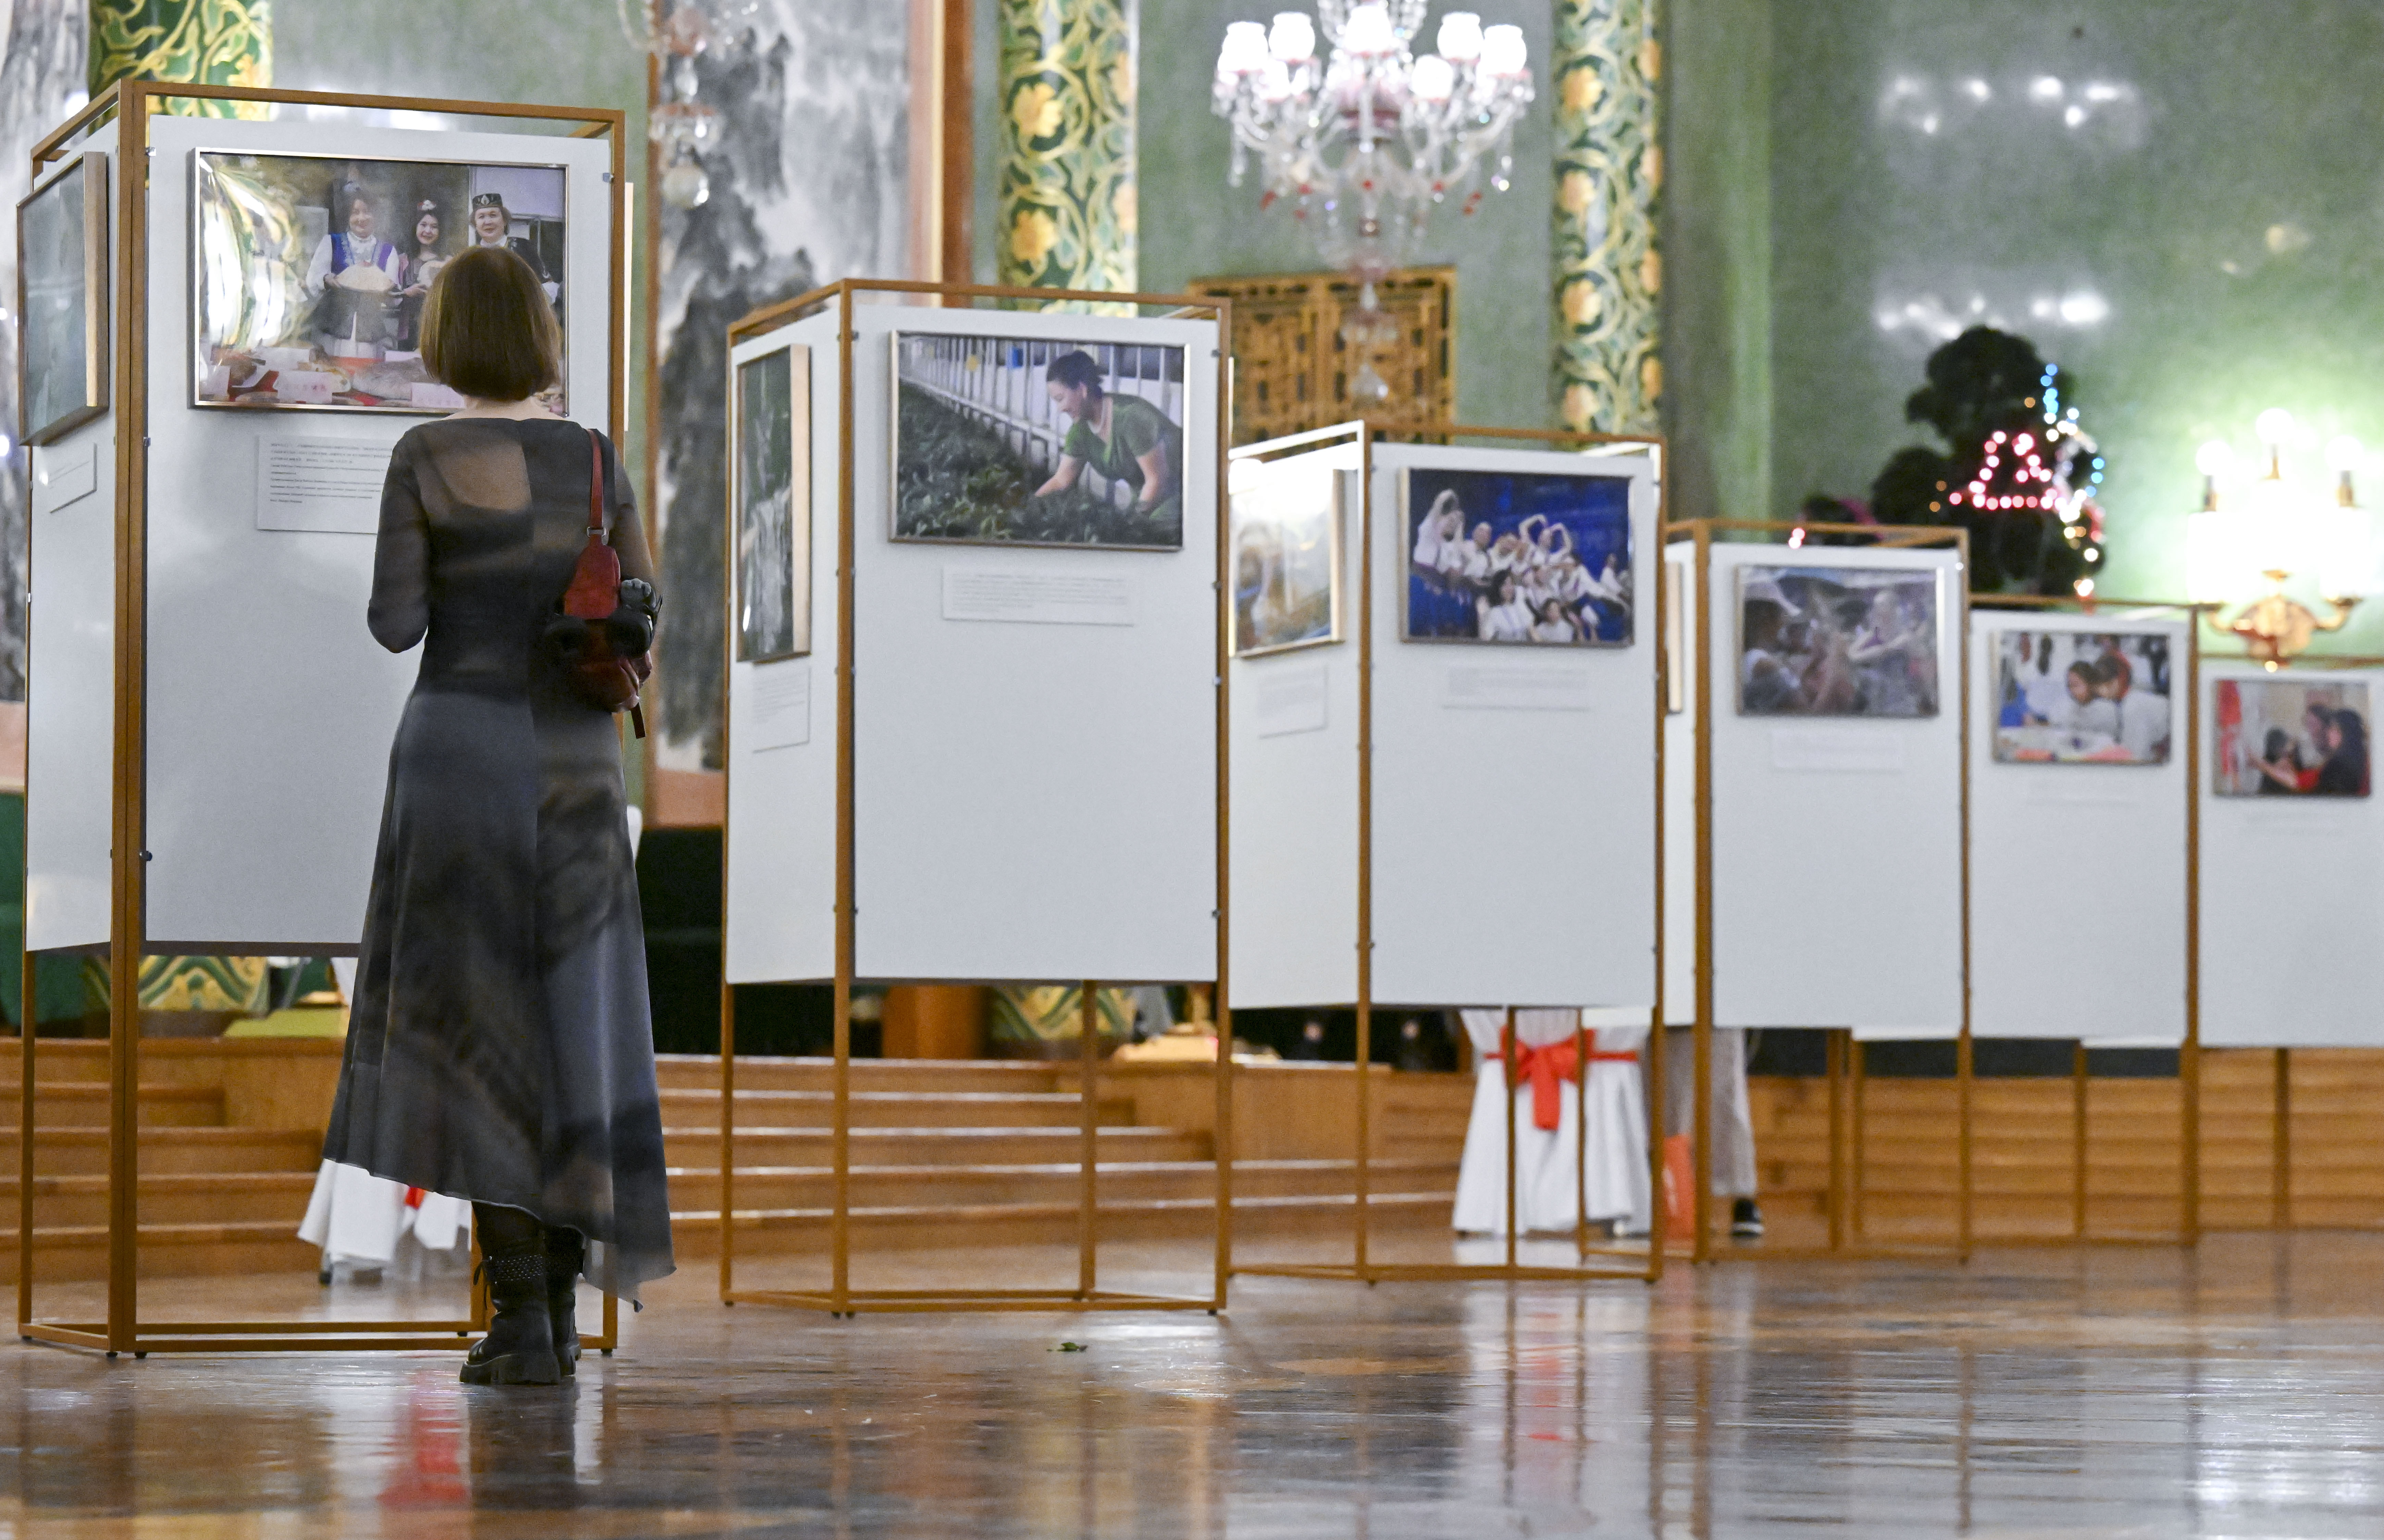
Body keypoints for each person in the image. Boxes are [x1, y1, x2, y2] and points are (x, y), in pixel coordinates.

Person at [321, 245, 671, 1387]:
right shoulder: (595, 459)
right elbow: (640, 625)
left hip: (459, 754)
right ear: (542, 335)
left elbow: (391, 621)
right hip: (575, 764)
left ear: (445, 338)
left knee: (472, 1027)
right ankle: (561, 1313)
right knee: (573, 1021)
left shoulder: (425, 455)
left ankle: (518, 1312)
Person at [1033, 350, 1183, 534]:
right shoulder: (1080, 431)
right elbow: (1062, 480)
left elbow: (1157, 480)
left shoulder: (1132, 416)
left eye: (1061, 399)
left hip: (1182, 494)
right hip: (1147, 500)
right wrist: (1030, 506)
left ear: (1082, 389)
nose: (1060, 409)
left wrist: (1129, 527)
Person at [304, 183, 406, 353]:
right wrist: (326, 279)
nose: (362, 218)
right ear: (347, 216)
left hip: (369, 336)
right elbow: (313, 279)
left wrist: (389, 289)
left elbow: (393, 298)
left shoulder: (389, 252)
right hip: (333, 331)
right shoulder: (331, 242)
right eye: (355, 212)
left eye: (367, 212)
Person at [468, 191, 560, 307]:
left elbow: (548, 286)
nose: (488, 222)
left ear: (505, 220)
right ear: (475, 224)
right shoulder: (471, 256)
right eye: (481, 217)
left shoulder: (523, 247)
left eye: (493, 215)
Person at [394, 199, 448, 351]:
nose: (428, 231)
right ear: (415, 228)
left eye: (434, 227)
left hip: (438, 331)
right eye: (423, 225)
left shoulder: (448, 263)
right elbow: (390, 292)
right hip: (408, 331)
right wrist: (406, 293)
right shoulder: (402, 261)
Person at [2315, 705, 2370, 796]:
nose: (2329, 733)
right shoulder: (2361, 758)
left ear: (2347, 733)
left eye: (2334, 729)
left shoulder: (2340, 765)